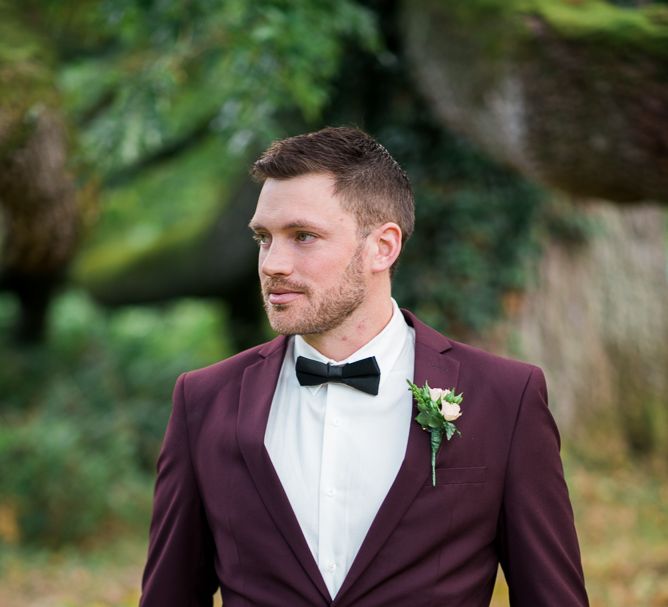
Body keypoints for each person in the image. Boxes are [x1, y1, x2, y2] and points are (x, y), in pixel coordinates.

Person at [140, 126, 588, 606]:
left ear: (383, 247)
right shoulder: (204, 401)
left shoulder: (504, 399)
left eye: (303, 236)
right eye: (264, 238)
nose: (272, 263)